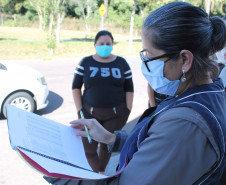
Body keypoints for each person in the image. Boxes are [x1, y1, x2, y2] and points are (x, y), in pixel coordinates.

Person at [44, 2, 226, 185]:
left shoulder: (185, 123)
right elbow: (157, 149)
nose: (145, 61)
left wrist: (61, 173)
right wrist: (112, 138)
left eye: (149, 54)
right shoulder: (209, 93)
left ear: (184, 60)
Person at [71, 30, 134, 174]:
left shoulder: (121, 63)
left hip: (115, 115)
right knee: (89, 148)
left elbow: (129, 88)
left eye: (108, 44)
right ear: (95, 44)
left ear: (112, 45)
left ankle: (101, 171)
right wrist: (80, 110)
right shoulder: (86, 62)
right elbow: (76, 87)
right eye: (101, 44)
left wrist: (128, 109)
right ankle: (93, 174)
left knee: (107, 145)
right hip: (89, 113)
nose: (105, 46)